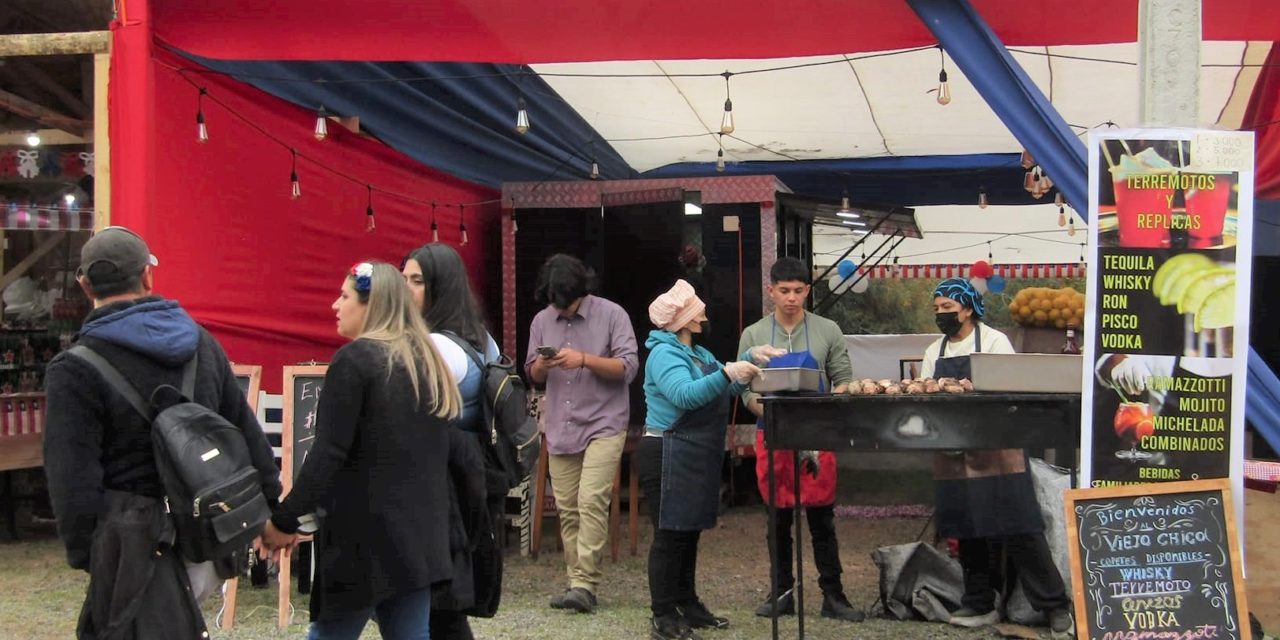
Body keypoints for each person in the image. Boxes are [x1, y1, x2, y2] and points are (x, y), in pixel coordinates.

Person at [42, 226, 282, 638]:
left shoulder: (74, 369)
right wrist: (271, 510)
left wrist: (90, 555)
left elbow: (71, 479)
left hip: (131, 548)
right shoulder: (202, 345)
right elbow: (245, 431)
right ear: (148, 277)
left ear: (85, 286)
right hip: (206, 533)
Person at [258, 261, 462, 640]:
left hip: (364, 542)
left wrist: (284, 520)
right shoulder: (427, 364)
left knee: (331, 633)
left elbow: (327, 455)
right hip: (419, 538)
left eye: (344, 296)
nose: (336, 305)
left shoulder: (355, 361)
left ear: (372, 305)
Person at [920, 278, 1073, 635]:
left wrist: (979, 389)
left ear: (968, 308)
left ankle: (1053, 605)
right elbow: (925, 391)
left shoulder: (993, 341)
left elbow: (1011, 385)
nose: (942, 315)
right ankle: (978, 601)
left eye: (948, 308)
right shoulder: (934, 351)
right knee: (967, 526)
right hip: (953, 448)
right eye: (937, 309)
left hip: (998, 445)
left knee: (1019, 525)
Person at [737, 256, 864, 622]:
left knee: (822, 516)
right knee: (777, 518)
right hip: (772, 430)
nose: (791, 298)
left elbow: (844, 379)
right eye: (783, 291)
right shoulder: (753, 335)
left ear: (807, 291)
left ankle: (833, 595)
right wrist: (769, 412)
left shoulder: (828, 330)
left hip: (817, 433)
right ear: (771, 292)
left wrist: (825, 409)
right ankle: (782, 593)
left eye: (797, 291)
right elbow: (743, 387)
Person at [639, 280, 762, 640]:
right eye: (697, 308)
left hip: (693, 450)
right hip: (666, 450)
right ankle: (663, 613)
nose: (704, 311)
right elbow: (684, 395)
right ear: (685, 319)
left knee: (688, 532)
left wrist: (750, 363)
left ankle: (687, 604)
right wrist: (728, 373)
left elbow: (724, 388)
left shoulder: (699, 354)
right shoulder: (664, 355)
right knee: (668, 536)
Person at [524, 254, 638, 614]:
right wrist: (541, 365)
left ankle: (586, 583)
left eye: (569, 303)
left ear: (583, 291)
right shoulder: (542, 320)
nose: (562, 310)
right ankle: (576, 582)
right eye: (556, 303)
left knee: (591, 500)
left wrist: (584, 359)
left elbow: (628, 367)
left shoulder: (612, 314)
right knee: (568, 508)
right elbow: (532, 374)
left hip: (605, 421)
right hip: (561, 423)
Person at [404, 243, 503, 639]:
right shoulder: (482, 339)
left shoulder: (438, 346)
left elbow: (410, 418)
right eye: (404, 278)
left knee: (436, 600)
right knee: (443, 601)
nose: (406, 289)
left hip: (439, 484)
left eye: (417, 281)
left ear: (440, 288)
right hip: (468, 474)